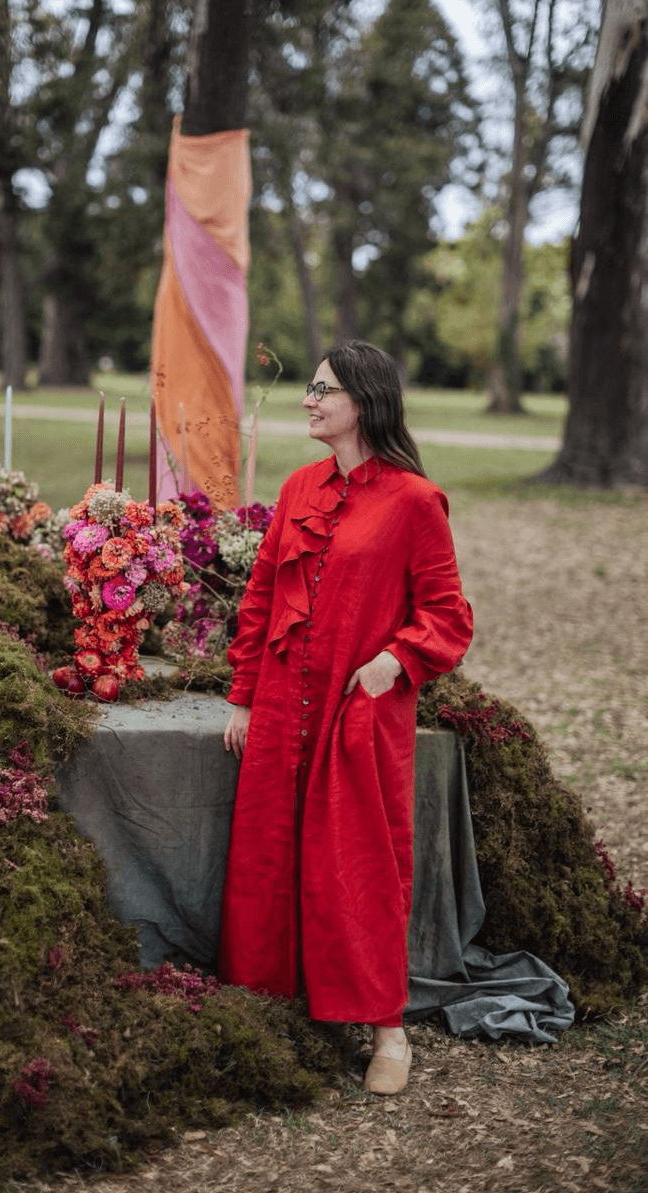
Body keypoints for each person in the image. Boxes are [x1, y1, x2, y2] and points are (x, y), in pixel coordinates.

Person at [219, 340, 473, 1096]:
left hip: (356, 715)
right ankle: (271, 1008)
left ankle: (387, 1030)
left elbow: (449, 616)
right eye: (309, 388)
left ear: (362, 401)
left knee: (359, 865)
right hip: (278, 704)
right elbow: (263, 594)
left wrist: (394, 661)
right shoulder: (299, 487)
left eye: (321, 390)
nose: (307, 399)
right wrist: (241, 692)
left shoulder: (415, 502)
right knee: (267, 857)